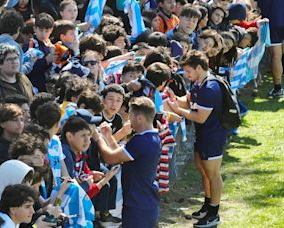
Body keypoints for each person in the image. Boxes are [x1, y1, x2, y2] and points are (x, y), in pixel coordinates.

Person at [167, 50, 226, 227]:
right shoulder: (198, 83)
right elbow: (189, 101)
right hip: (202, 135)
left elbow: (200, 116)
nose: (186, 74)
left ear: (199, 67)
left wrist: (177, 111)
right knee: (202, 170)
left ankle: (214, 213)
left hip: (213, 136)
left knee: (213, 174)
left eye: (188, 71)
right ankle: (207, 205)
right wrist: (174, 100)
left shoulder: (210, 88)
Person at [92, 96, 161, 228]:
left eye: (131, 116)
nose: (128, 120)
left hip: (138, 204)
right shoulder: (151, 136)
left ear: (139, 118)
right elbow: (120, 155)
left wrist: (98, 138)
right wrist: (108, 136)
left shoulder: (141, 140)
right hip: (144, 201)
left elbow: (110, 158)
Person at [0, 104, 24, 175]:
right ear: (2, 124)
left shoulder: (23, 143)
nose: (20, 123)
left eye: (21, 120)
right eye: (14, 120)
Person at [22, 12, 55, 92]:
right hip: (34, 86)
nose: (43, 34)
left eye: (47, 31)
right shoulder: (30, 46)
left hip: (47, 86)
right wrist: (46, 61)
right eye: (41, 30)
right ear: (35, 29)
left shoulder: (50, 45)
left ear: (51, 30)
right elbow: (26, 70)